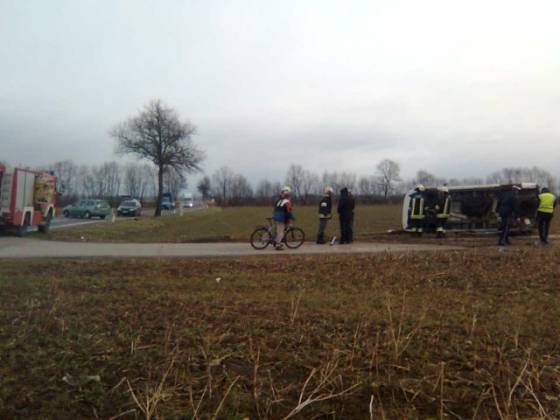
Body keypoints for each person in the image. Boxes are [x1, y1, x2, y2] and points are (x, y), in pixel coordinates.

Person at [272, 186, 294, 250]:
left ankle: (275, 241)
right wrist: (291, 218)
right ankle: (278, 245)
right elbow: (288, 212)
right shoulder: (287, 202)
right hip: (281, 217)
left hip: (276, 216)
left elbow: (276, 208)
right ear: (288, 194)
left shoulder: (279, 200)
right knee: (281, 232)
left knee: (277, 230)